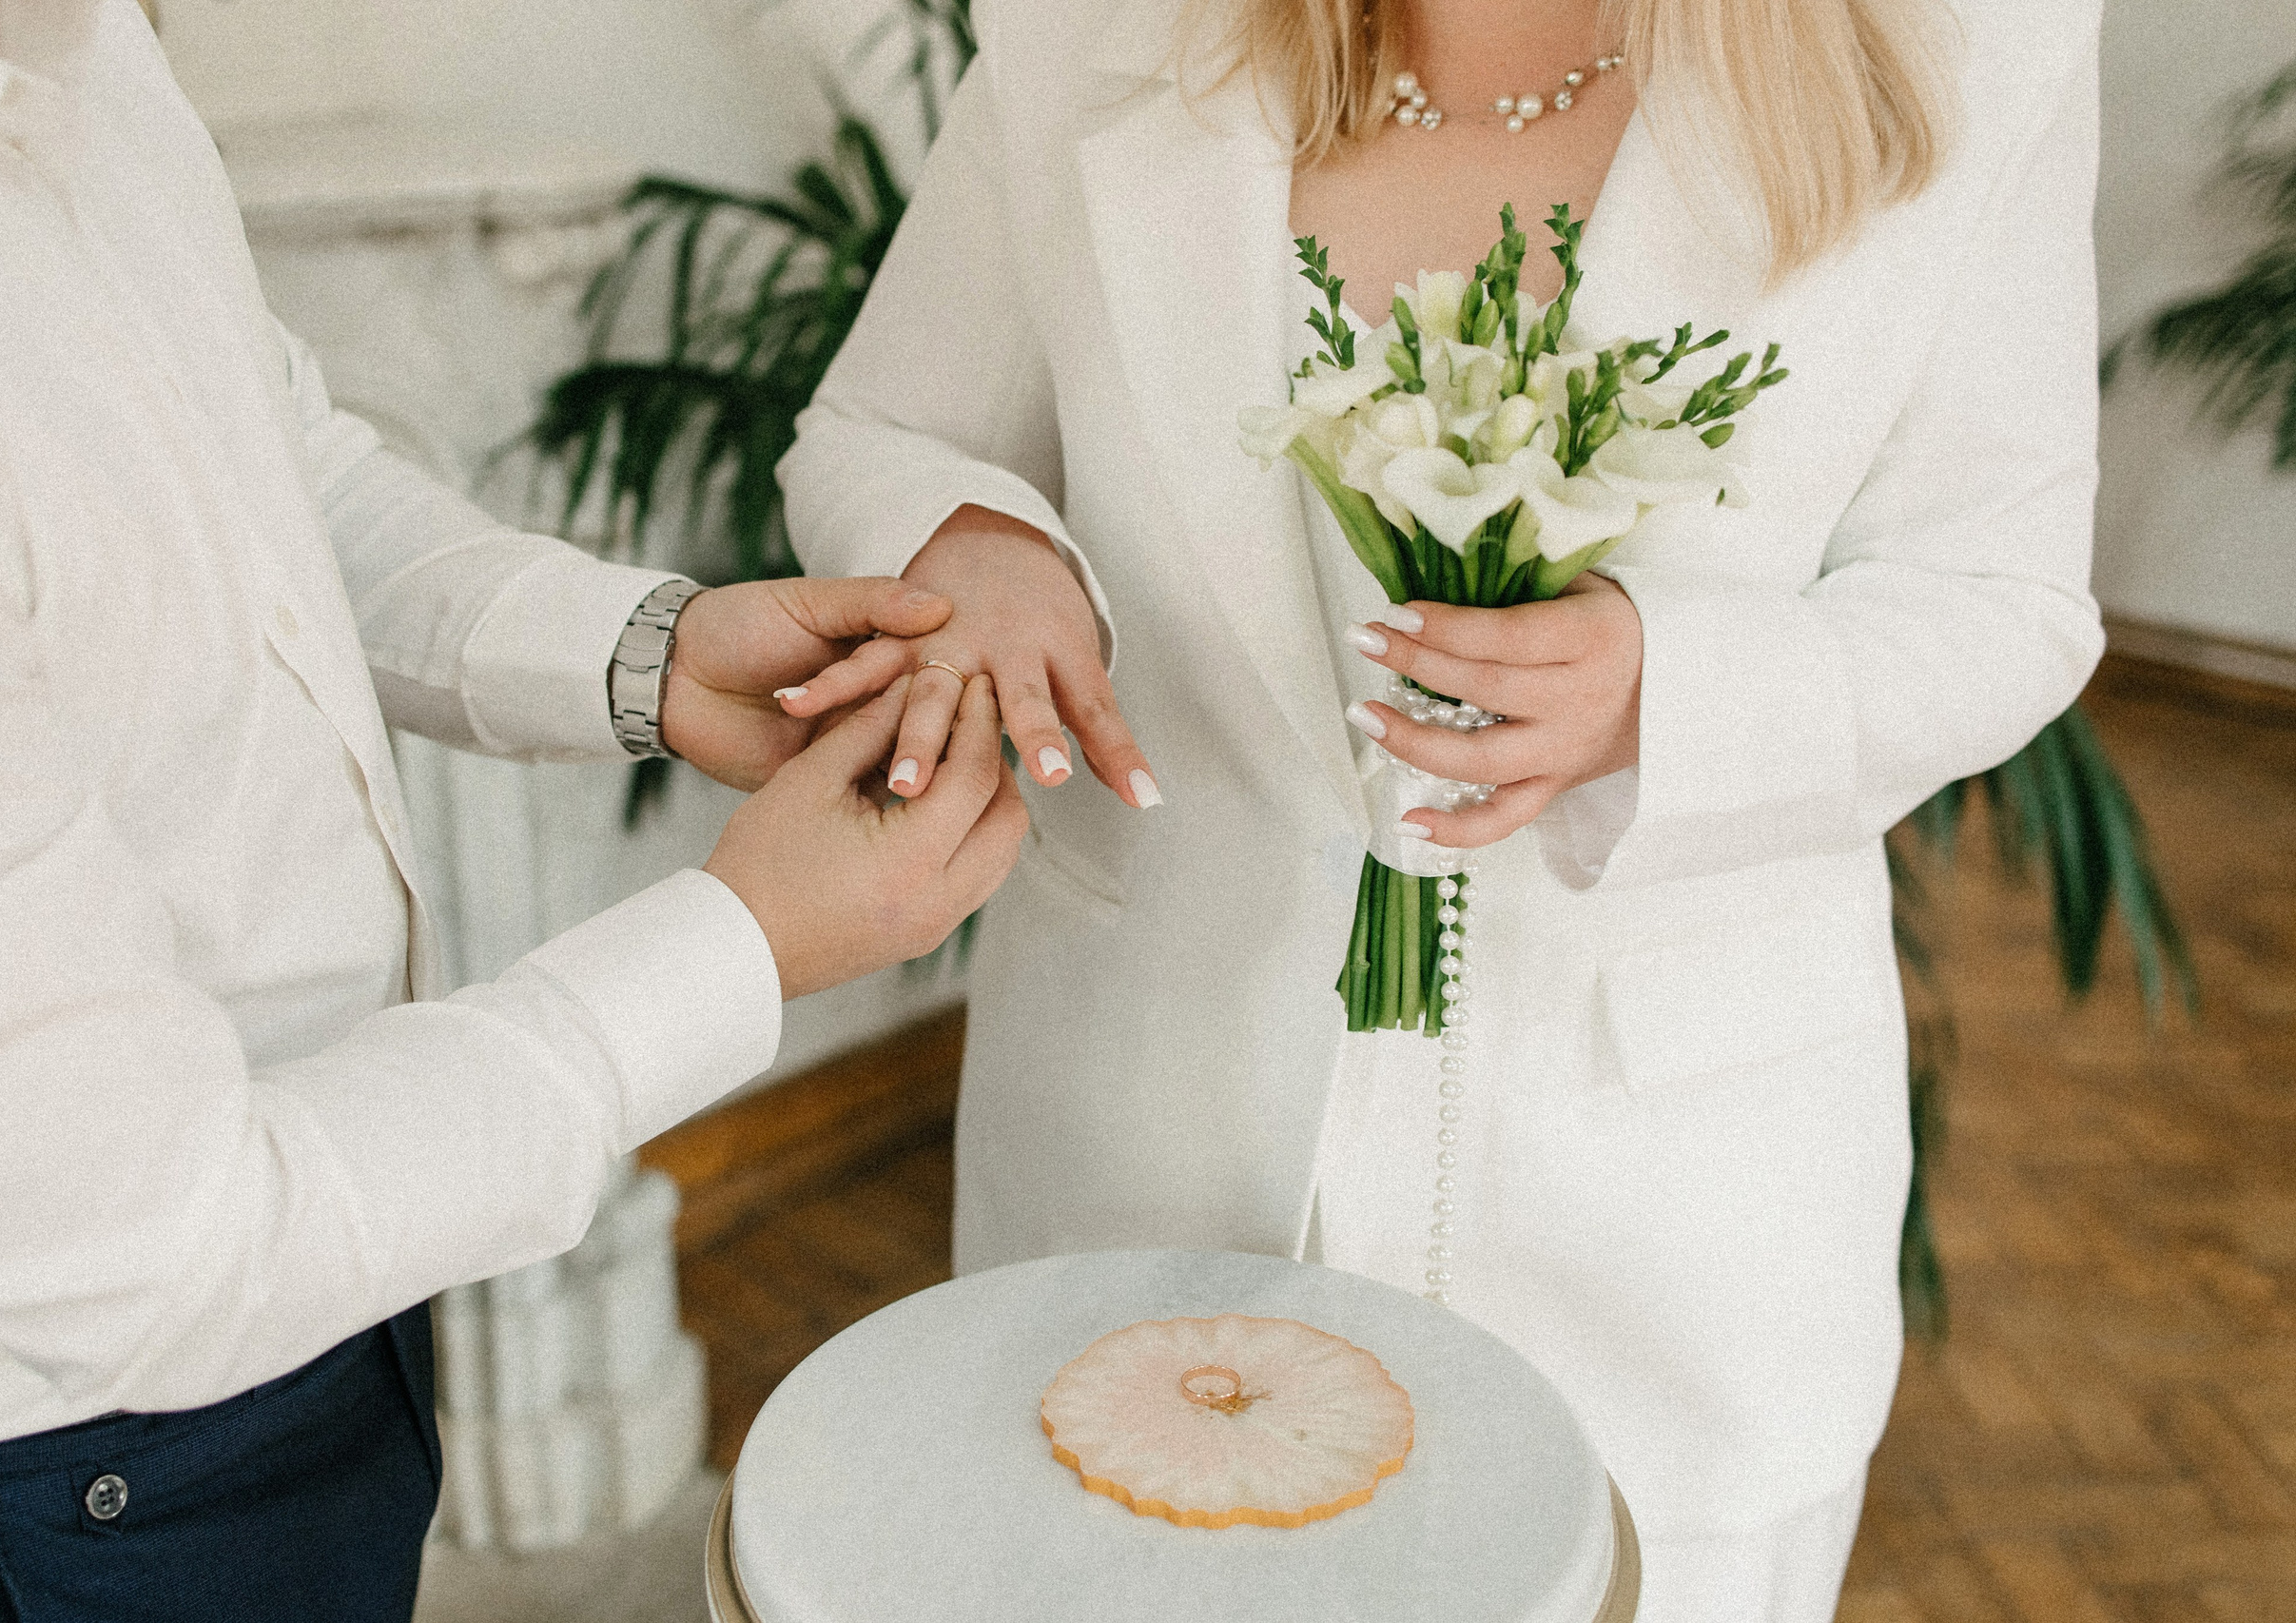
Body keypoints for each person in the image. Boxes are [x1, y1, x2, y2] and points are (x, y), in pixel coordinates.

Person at [774, 0, 2104, 1615]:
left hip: (1674, 1255)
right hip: (1140, 1174)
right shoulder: (1088, 32)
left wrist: (1664, 695)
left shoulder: (1979, 43)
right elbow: (883, 429)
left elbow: (2000, 598)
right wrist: (979, 540)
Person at [0, 0, 1024, 1615]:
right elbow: (163, 1249)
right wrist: (743, 940)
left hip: (331, 1307)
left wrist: (645, 650)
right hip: (33, 1483)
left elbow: (272, 451)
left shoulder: (72, 42)